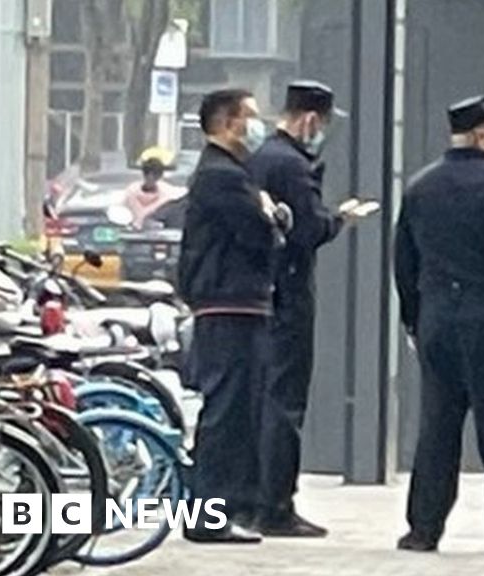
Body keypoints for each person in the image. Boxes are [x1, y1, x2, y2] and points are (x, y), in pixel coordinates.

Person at [394, 94, 484, 554]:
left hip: (437, 319)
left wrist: (414, 319)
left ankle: (423, 528)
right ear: (483, 134)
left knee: (437, 425)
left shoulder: (420, 187)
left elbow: (405, 262)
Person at [245, 80, 357, 537]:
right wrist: (340, 218)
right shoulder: (293, 166)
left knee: (262, 398)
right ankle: (276, 505)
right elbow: (308, 229)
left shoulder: (260, 158)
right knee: (285, 401)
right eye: (323, 123)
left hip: (263, 288)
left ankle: (252, 499)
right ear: (310, 120)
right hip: (289, 293)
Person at [178, 88, 284, 544]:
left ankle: (224, 507)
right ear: (226, 123)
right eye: (250, 117)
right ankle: (208, 513)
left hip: (237, 303)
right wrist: (276, 218)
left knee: (239, 411)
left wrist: (272, 214)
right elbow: (260, 232)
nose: (257, 126)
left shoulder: (231, 173)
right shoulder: (222, 176)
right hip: (229, 305)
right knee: (227, 412)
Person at [123, 146, 186, 229]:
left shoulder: (167, 193)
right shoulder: (132, 191)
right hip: (134, 234)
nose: (150, 178)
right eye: (147, 174)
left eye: (154, 175)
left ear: (159, 176)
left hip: (158, 234)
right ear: (144, 174)